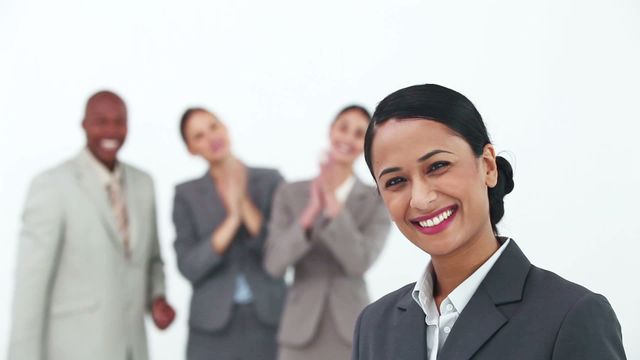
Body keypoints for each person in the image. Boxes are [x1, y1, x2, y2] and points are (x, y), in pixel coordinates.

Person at [352, 84, 627, 360]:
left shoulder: (571, 317)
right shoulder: (374, 326)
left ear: (488, 166)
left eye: (437, 166)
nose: (421, 199)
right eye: (396, 181)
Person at [8, 90, 175, 360]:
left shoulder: (144, 184)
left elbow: (153, 260)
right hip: (74, 350)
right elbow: (31, 286)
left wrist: (157, 297)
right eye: (101, 121)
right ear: (84, 124)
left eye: (119, 121)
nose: (111, 130)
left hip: (133, 350)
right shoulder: (52, 185)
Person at [264, 105, 391, 360]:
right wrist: (310, 213)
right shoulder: (290, 193)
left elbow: (359, 263)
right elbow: (274, 264)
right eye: (343, 128)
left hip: (351, 328)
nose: (348, 138)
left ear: (366, 144)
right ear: (331, 130)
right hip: (298, 331)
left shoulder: (377, 199)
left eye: (358, 133)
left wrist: (333, 205)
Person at [173, 108, 285, 360]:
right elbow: (189, 266)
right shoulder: (186, 195)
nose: (211, 137)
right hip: (210, 327)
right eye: (199, 136)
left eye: (213, 126)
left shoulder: (270, 181)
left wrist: (243, 204)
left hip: (270, 319)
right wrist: (233, 220)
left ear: (225, 126)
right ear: (191, 149)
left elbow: (280, 252)